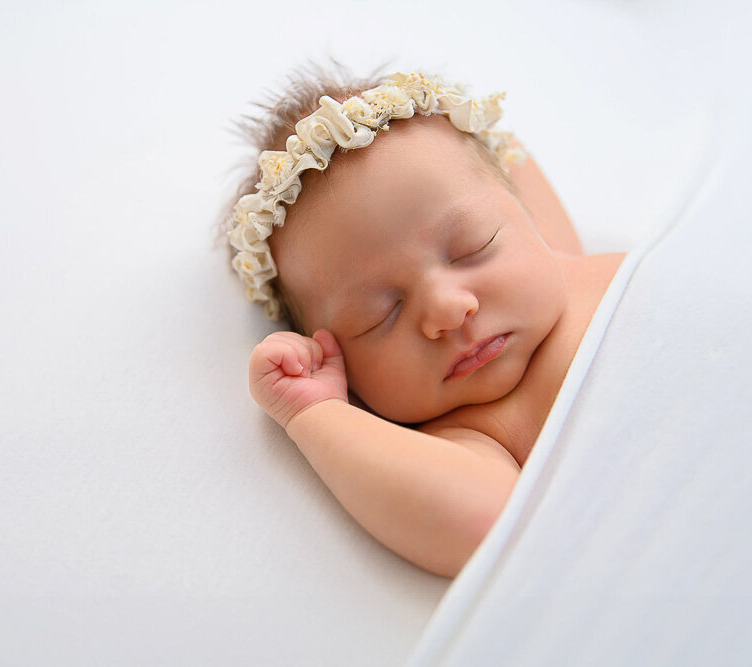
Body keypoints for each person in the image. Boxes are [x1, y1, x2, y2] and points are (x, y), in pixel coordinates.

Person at [226, 68, 624, 577]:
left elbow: (513, 163)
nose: (447, 309)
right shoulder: (472, 435)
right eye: (381, 315)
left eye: (472, 247)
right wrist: (317, 412)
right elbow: (483, 524)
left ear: (519, 214)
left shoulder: (560, 261)